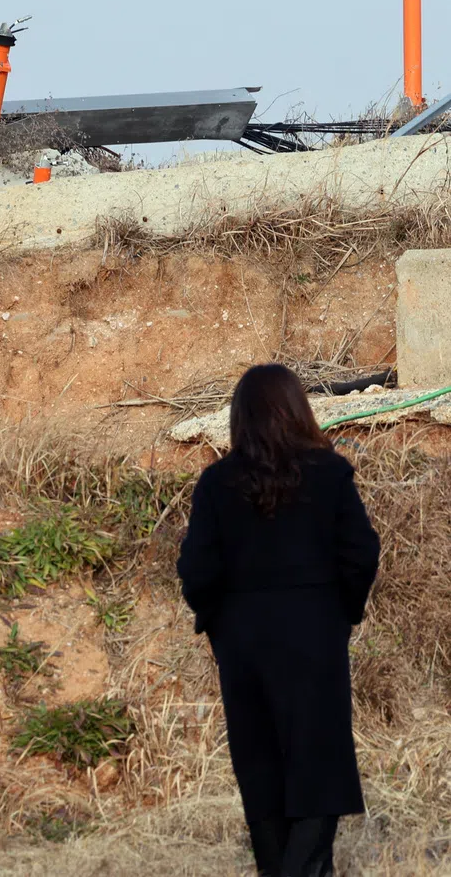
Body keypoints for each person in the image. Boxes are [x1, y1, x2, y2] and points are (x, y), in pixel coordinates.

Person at [177, 364, 380, 877]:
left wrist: (220, 624)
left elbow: (197, 569)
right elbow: (361, 552)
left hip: (243, 642)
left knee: (261, 767)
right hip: (315, 635)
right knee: (318, 765)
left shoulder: (216, 483)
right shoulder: (329, 473)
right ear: (297, 410)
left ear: (239, 418)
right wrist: (341, 613)